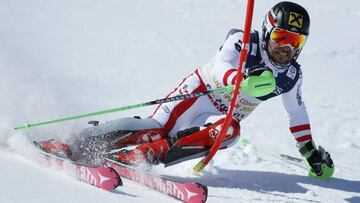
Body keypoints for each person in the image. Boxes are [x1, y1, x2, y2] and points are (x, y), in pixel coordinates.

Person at [39, 1, 334, 179]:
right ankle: (76, 142)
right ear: (268, 30)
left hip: (219, 117)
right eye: (282, 37)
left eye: (296, 43)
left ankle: (145, 156)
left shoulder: (291, 75)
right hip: (199, 95)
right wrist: (239, 80)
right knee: (155, 128)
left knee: (228, 133)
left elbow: (297, 114)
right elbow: (221, 68)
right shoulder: (245, 41)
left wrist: (310, 154)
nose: (286, 48)